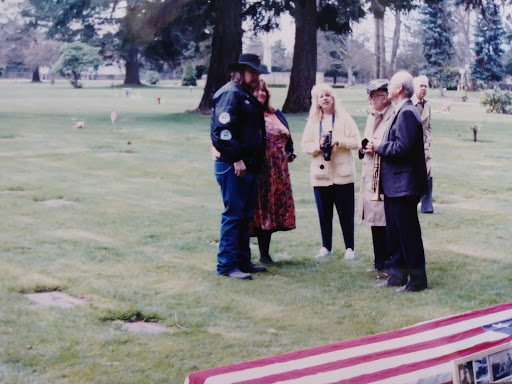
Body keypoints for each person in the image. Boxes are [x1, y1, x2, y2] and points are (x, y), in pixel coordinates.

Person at [365, 70, 428, 292]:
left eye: (391, 84)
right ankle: (397, 276)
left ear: (399, 89)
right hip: (394, 186)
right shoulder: (401, 112)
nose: (388, 87)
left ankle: (418, 281)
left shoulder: (407, 113)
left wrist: (378, 147)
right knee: (396, 234)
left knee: (408, 235)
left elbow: (403, 148)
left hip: (405, 186)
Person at [211, 53, 269, 280]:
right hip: (233, 166)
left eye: (257, 72)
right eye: (251, 71)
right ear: (240, 71)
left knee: (245, 216)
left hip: (248, 165)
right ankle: (227, 265)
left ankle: (243, 261)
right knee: (234, 215)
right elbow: (222, 132)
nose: (255, 76)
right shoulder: (230, 94)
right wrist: (236, 158)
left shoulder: (242, 94)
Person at [301, 83, 360, 260]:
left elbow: (357, 142)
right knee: (324, 213)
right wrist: (317, 146)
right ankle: (326, 246)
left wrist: (339, 141)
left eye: (328, 95)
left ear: (333, 98)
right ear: (317, 101)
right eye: (321, 96)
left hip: (343, 175)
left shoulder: (344, 117)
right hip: (321, 176)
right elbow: (305, 145)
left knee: (345, 213)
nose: (325, 98)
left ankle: (349, 247)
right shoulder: (313, 121)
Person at [250, 78, 296, 264]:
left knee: (271, 210)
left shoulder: (275, 113)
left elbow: (288, 137)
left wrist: (290, 152)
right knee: (256, 210)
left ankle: (264, 254)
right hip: (258, 170)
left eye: (264, 91)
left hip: (278, 172)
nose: (261, 94)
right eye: (257, 91)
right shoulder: (249, 113)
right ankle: (243, 254)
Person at [358, 79, 394, 278]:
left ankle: (389, 263)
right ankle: (379, 260)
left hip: (384, 176)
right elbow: (367, 139)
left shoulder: (392, 115)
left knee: (385, 220)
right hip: (370, 174)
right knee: (374, 219)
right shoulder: (372, 114)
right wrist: (363, 147)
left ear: (385, 96)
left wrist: (376, 145)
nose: (370, 99)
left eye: (375, 95)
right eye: (370, 95)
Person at [412, 75, 435, 214]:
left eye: (426, 86)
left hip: (424, 147)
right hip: (410, 147)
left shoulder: (427, 105)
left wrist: (428, 139)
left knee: (429, 174)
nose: (423, 88)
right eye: (421, 85)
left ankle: (427, 207)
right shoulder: (409, 104)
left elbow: (428, 126)